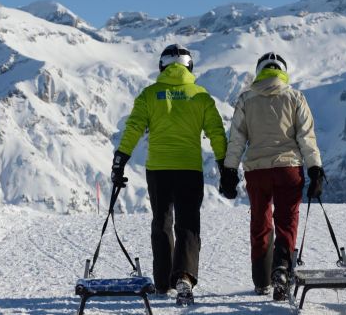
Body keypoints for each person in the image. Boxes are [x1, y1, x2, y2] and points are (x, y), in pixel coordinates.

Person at [111, 44, 227, 305]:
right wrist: (224, 165)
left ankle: (163, 283)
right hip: (189, 169)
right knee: (187, 223)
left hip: (158, 170)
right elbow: (217, 133)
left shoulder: (149, 95)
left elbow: (133, 129)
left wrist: (120, 161)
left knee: (162, 223)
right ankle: (184, 276)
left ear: (162, 67)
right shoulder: (200, 95)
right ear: (190, 67)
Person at [220, 52, 325, 301]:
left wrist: (229, 171)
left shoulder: (246, 99)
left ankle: (261, 281)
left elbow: (237, 140)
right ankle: (281, 272)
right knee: (286, 221)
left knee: (260, 221)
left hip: (257, 171)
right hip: (288, 168)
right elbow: (306, 138)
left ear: (260, 72)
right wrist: (315, 169)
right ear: (283, 71)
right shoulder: (295, 97)